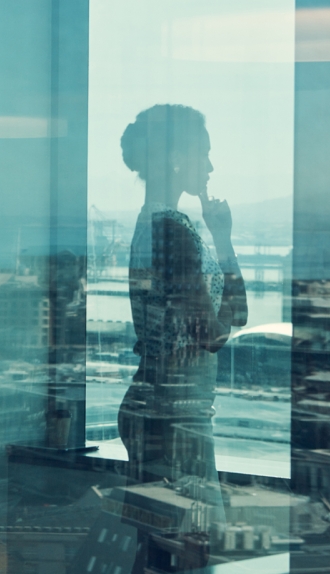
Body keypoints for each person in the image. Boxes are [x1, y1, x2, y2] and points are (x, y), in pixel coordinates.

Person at [117, 104, 247, 524]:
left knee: (163, 548)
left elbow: (230, 318)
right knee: (200, 543)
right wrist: (223, 240)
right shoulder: (175, 232)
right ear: (176, 159)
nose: (211, 166)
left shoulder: (151, 223)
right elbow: (221, 332)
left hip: (162, 410)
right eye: (203, 153)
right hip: (176, 418)